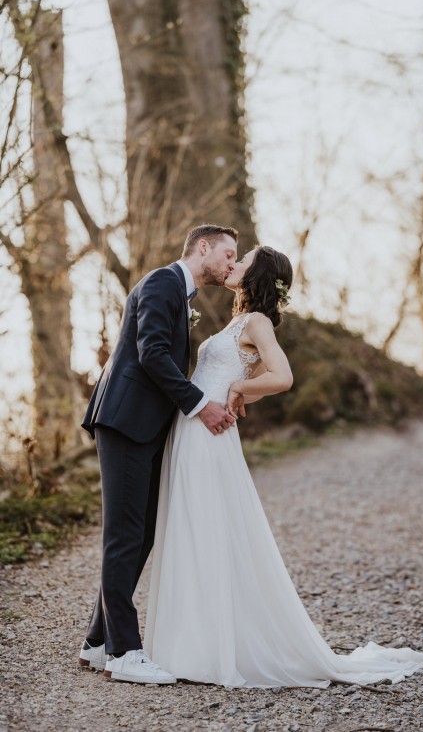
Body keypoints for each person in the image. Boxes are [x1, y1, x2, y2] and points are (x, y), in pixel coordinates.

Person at [143, 245, 423, 688]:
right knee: (192, 526)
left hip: (209, 437)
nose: (234, 263)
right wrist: (241, 392)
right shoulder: (239, 322)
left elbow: (282, 377)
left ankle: (204, 649)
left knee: (204, 527)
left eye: (242, 260)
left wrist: (238, 389)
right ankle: (190, 640)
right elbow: (252, 377)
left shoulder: (257, 322)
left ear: (256, 274)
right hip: (193, 431)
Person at [79, 224, 239, 684]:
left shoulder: (177, 291)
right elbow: (151, 354)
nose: (231, 264)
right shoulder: (162, 282)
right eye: (228, 254)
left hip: (143, 427)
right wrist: (198, 405)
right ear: (202, 248)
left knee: (142, 533)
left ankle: (97, 642)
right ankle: (125, 653)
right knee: (125, 535)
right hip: (125, 422)